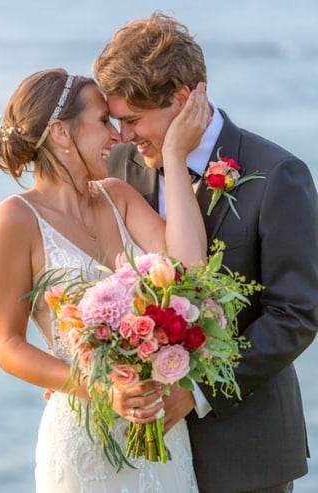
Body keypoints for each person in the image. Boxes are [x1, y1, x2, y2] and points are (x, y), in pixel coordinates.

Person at [93, 12, 318, 493]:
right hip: (139, 459)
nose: (125, 136)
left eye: (134, 120)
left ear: (183, 97)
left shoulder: (278, 173)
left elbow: (296, 313)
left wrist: (195, 393)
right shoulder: (118, 167)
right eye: (117, 122)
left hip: (247, 455)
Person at [0, 67, 211, 492]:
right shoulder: (13, 220)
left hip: (161, 433)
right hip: (84, 438)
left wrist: (174, 158)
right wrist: (102, 389)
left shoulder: (119, 197)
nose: (117, 137)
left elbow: (189, 269)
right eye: (103, 122)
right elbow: (6, 345)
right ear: (61, 134)